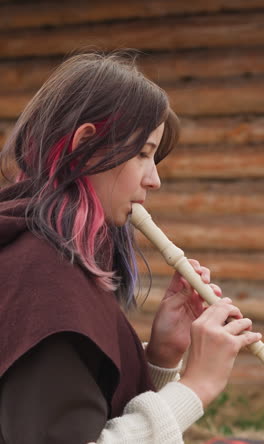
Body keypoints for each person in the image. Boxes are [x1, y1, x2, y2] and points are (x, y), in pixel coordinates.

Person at [0, 51, 261, 444]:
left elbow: (94, 413)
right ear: (86, 146)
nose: (153, 179)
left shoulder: (56, 263)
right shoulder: (42, 276)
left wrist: (160, 357)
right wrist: (195, 386)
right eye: (142, 154)